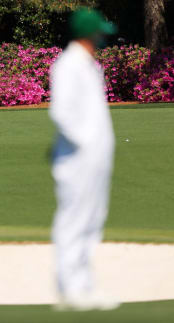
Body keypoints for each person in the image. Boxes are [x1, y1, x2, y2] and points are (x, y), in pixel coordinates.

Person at [49, 8, 120, 311]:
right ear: (89, 33)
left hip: (96, 158)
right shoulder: (68, 65)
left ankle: (84, 287)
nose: (103, 37)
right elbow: (61, 112)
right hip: (78, 158)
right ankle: (70, 288)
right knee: (74, 220)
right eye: (99, 32)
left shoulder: (90, 65)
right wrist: (86, 143)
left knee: (93, 220)